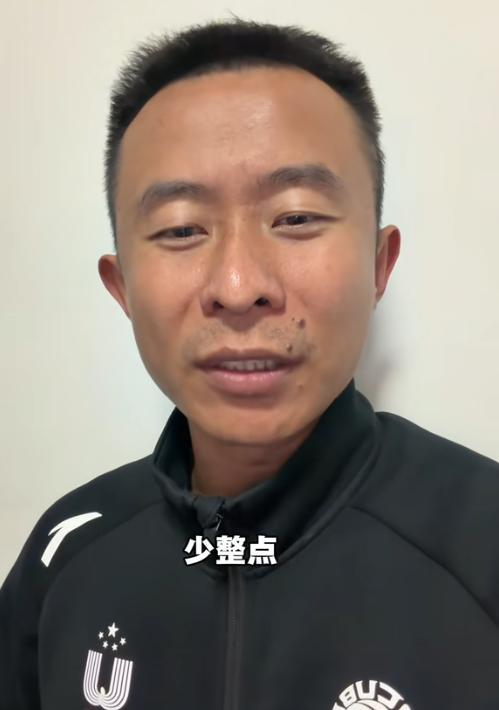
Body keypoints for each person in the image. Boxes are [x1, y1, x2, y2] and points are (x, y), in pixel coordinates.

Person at [1, 17, 498, 710]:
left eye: (295, 218)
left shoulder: (481, 544)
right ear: (122, 289)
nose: (238, 288)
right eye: (181, 228)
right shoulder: (65, 558)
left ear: (378, 264)